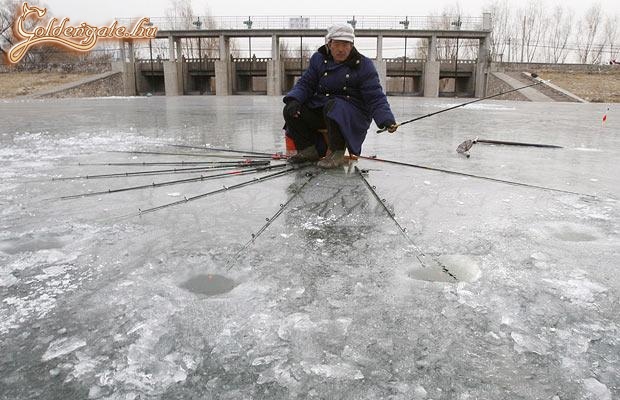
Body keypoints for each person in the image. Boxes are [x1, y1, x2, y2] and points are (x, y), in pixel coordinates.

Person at [283, 24, 398, 168]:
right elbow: (306, 83)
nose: (341, 49)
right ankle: (308, 151)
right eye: (337, 44)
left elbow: (375, 96)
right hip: (325, 108)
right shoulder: (318, 59)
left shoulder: (363, 65)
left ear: (352, 45)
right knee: (291, 109)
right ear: (329, 44)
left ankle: (336, 153)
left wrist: (386, 119)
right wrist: (294, 99)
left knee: (334, 107)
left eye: (346, 44)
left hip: (352, 113)